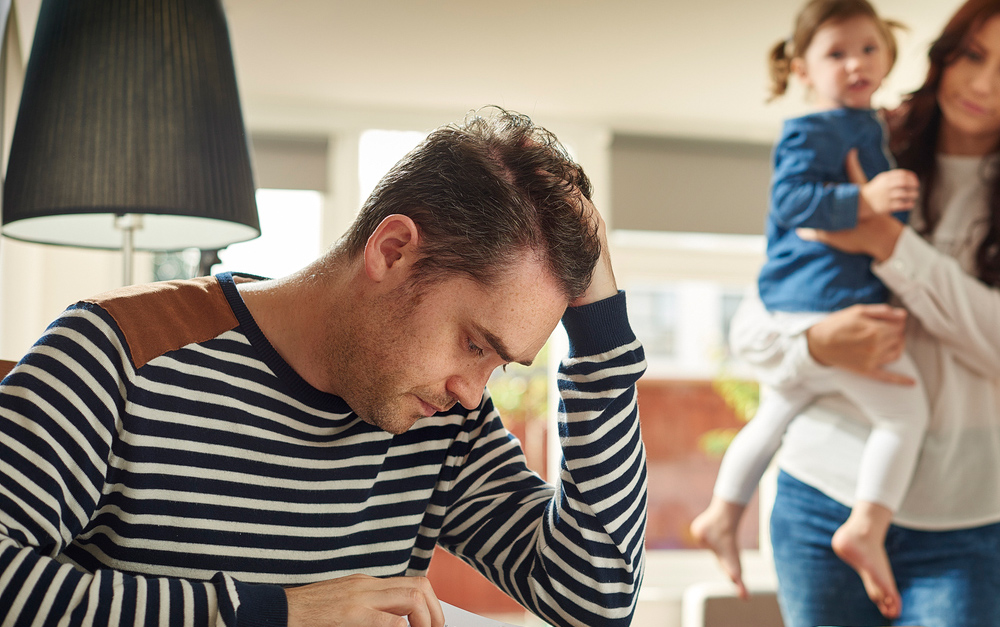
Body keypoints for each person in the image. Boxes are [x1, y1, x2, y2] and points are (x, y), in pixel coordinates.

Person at [0, 109, 647, 627]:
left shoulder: (444, 425)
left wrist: (600, 336)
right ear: (393, 251)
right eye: (476, 344)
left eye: (500, 364)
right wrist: (269, 612)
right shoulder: (117, 352)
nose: (474, 394)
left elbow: (596, 597)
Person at [710, 0, 1000, 625]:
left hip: (966, 516)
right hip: (823, 494)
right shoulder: (861, 143)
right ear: (943, 56)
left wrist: (886, 242)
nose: (984, 83)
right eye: (972, 55)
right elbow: (754, 327)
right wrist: (817, 347)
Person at [689, 0, 924, 617]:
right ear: (802, 70)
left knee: (778, 408)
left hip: (805, 304)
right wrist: (865, 198)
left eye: (868, 49)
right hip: (818, 300)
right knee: (904, 414)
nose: (856, 64)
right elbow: (792, 201)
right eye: (837, 54)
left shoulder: (866, 124)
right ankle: (866, 527)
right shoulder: (811, 128)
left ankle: (723, 512)